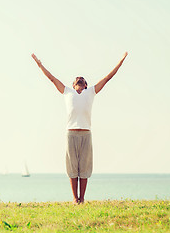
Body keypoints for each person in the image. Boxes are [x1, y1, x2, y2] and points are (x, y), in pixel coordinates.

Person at [31, 52, 128, 204]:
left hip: (85, 134)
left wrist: (121, 61)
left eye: (82, 80)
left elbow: (108, 78)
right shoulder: (67, 92)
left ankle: (82, 199)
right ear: (73, 85)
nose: (80, 79)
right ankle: (75, 198)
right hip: (71, 133)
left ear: (85, 85)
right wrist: (39, 64)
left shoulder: (91, 92)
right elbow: (51, 78)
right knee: (72, 168)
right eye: (77, 80)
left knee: (84, 168)